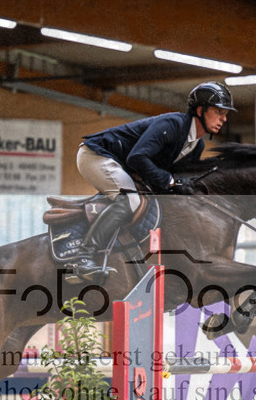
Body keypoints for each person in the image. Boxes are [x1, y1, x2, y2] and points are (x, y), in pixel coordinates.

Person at [66, 81, 236, 283]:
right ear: (200, 110)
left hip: (120, 164)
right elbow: (137, 158)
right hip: (96, 156)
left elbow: (175, 181)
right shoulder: (172, 125)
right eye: (218, 111)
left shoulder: (196, 145)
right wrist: (170, 181)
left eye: (225, 113)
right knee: (130, 201)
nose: (224, 118)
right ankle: (82, 259)